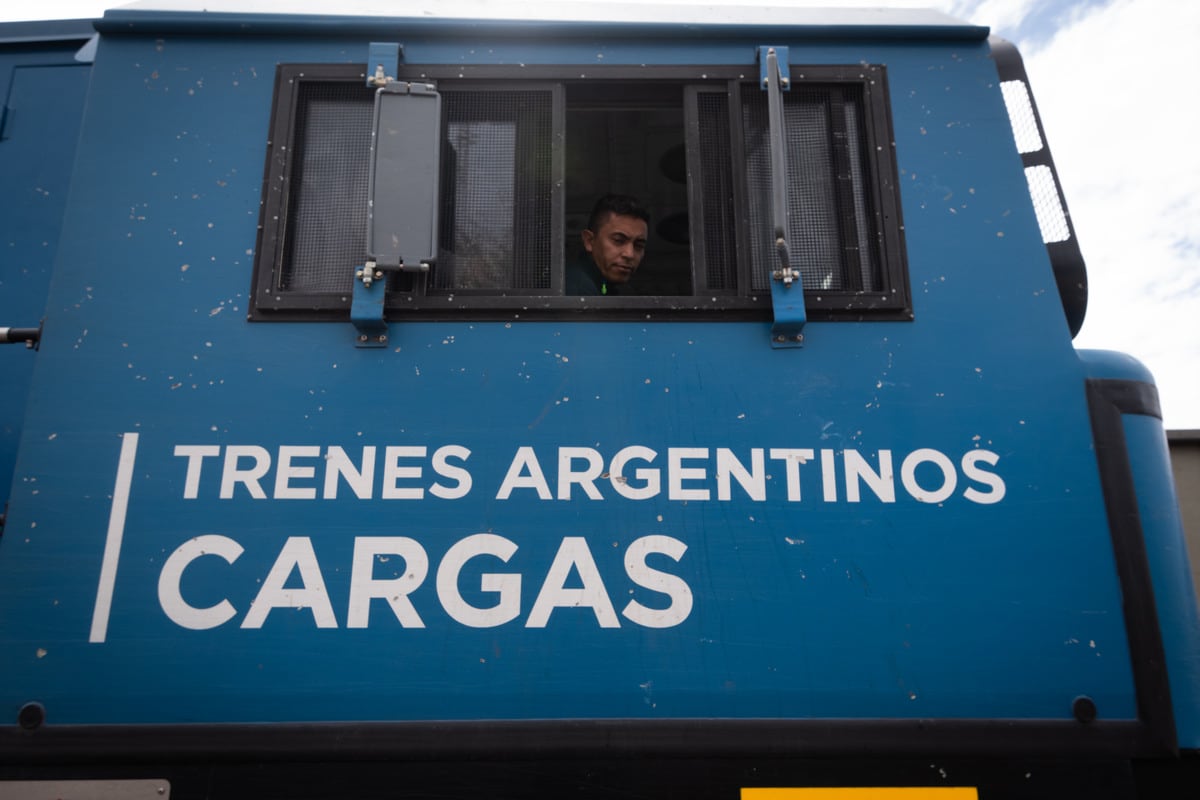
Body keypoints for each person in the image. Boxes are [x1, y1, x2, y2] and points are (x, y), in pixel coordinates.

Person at [567, 194, 649, 296]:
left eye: (639, 245)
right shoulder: (578, 290)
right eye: (618, 240)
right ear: (589, 241)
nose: (630, 254)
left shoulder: (601, 285)